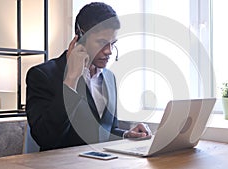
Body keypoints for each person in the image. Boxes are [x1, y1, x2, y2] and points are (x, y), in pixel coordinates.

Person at [26, 2, 151, 151]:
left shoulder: (109, 78)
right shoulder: (42, 76)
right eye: (102, 43)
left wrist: (126, 135)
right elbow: (46, 138)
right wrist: (71, 80)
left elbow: (103, 132)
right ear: (80, 38)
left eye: (113, 43)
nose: (109, 51)